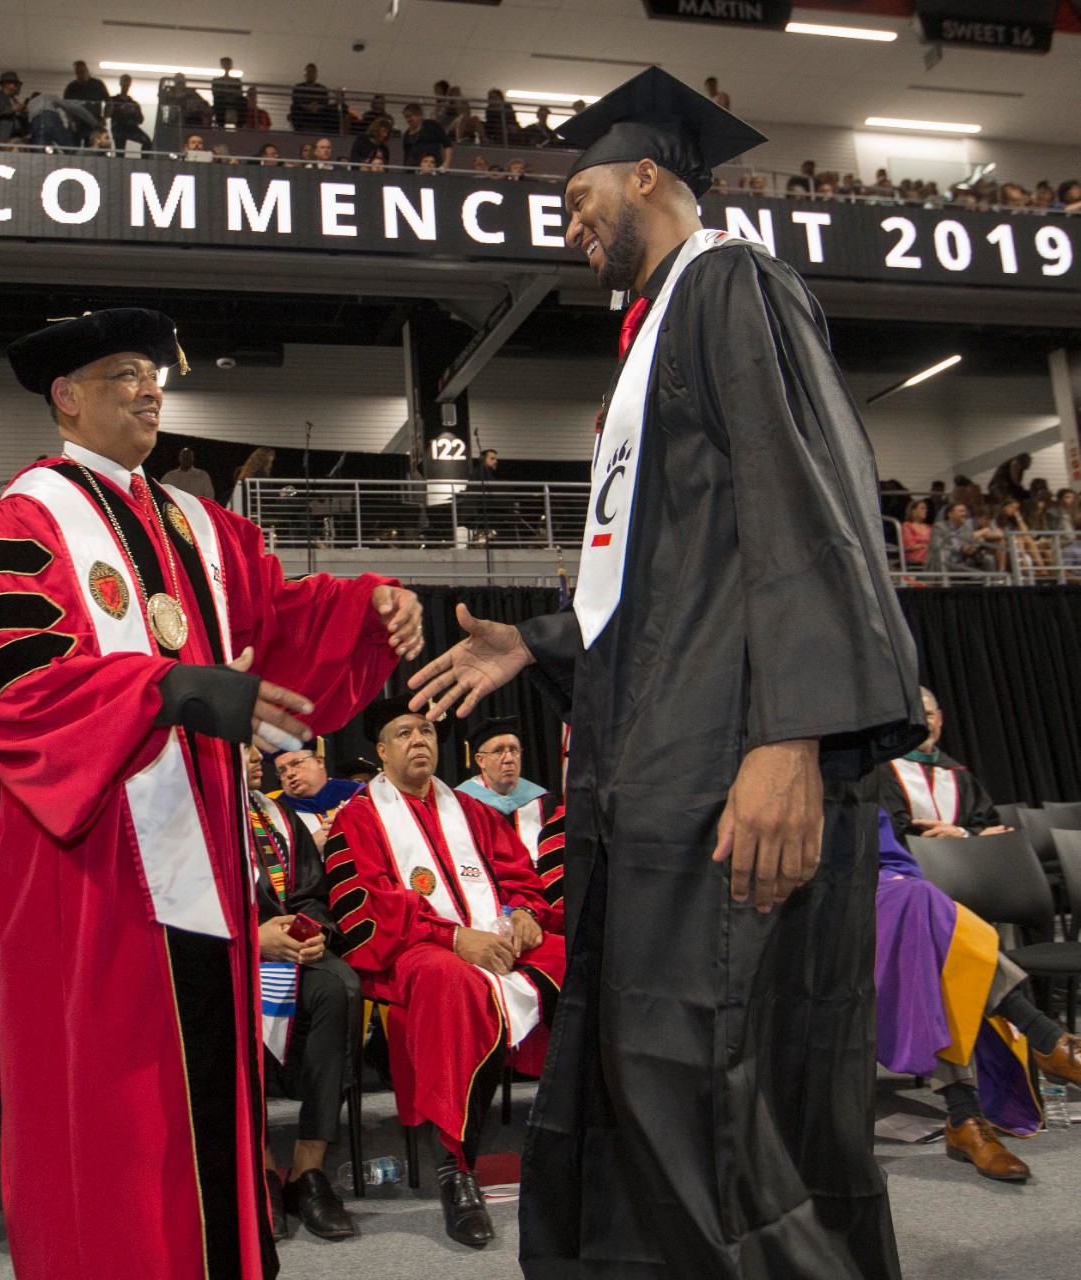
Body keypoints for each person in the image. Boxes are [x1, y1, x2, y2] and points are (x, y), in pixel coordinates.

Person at [409, 66, 922, 1280]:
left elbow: (810, 513)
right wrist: (535, 640)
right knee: (652, 1085)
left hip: (728, 778)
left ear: (649, 174)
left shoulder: (732, 285)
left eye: (580, 192)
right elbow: (676, 584)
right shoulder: (651, 341)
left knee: (729, 1113)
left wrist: (792, 739)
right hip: (660, 782)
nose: (568, 219)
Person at [0, 308, 421, 1280]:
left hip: (202, 873)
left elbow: (276, 629)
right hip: (96, 880)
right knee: (115, 1129)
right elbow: (9, 689)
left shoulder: (197, 526)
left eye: (154, 371)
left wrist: (366, 606)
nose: (150, 386)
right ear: (66, 397)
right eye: (122, 372)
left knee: (205, 1115)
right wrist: (163, 686)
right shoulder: (27, 518)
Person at [325, 694, 565, 1249]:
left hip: (495, 938)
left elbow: (517, 874)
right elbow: (367, 906)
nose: (419, 741)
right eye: (405, 733)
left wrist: (526, 914)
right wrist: (455, 937)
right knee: (448, 980)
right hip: (411, 952)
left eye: (428, 732)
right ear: (381, 749)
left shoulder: (473, 810)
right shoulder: (359, 818)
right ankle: (456, 1169)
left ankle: (575, 1134)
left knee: (566, 954)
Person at [875, 810, 1081, 1180]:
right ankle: (1048, 1039)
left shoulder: (847, 787)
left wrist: (962, 831)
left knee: (922, 921)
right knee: (920, 911)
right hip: (809, 920)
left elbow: (895, 858)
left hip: (890, 910)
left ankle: (965, 1117)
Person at [245, 747, 359, 1243]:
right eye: (243, 744)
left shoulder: (277, 814)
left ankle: (308, 1171)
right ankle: (264, 1169)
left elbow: (313, 891)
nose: (256, 756)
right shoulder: (193, 816)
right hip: (228, 951)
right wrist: (252, 937)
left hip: (291, 947)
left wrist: (316, 933)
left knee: (341, 987)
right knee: (216, 1004)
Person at [877, 687, 1008, 842]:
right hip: (914, 861)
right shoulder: (882, 772)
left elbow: (987, 823)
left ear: (940, 718)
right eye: (914, 716)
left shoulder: (957, 773)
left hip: (970, 859)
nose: (923, 723)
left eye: (929, 715)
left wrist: (963, 833)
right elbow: (889, 828)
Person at [456, 715, 559, 868]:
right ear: (480, 760)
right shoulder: (462, 802)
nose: (509, 758)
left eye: (514, 750)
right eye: (498, 751)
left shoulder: (543, 801)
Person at [272, 740, 363, 850]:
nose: (290, 774)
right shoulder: (274, 813)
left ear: (319, 762)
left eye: (296, 763)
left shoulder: (358, 795)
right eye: (282, 770)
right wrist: (310, 849)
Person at [63, 60, 109, 135]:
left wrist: (105, 117)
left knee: (93, 144)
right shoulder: (71, 87)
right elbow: (67, 107)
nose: (80, 75)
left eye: (82, 72)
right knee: (73, 144)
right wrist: (71, 121)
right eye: (77, 73)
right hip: (77, 122)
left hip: (94, 121)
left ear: (87, 71)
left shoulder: (97, 85)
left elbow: (109, 102)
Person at [400, 101, 450, 171]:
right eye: (406, 117)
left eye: (410, 116)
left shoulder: (432, 125)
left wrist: (447, 162)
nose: (408, 120)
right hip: (415, 171)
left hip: (434, 167)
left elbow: (447, 145)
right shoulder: (406, 135)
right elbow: (406, 156)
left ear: (419, 114)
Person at [289, 63, 334, 134]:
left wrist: (317, 107)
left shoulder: (322, 88)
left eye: (313, 72)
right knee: (294, 108)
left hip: (318, 113)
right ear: (305, 74)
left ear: (316, 75)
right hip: (303, 113)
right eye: (309, 72)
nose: (310, 74)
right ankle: (299, 131)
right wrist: (308, 107)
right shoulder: (298, 87)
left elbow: (325, 103)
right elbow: (296, 101)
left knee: (330, 109)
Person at [109, 75, 151, 150]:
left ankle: (145, 161)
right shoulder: (113, 100)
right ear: (120, 83)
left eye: (127, 83)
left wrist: (134, 111)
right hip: (118, 128)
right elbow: (108, 113)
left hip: (131, 127)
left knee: (147, 142)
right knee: (120, 149)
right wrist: (120, 110)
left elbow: (140, 120)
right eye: (124, 82)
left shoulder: (134, 103)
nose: (125, 85)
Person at [899, 498, 931, 568]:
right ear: (913, 511)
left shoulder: (928, 527)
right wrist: (924, 546)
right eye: (922, 508)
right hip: (914, 558)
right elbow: (909, 545)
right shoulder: (906, 526)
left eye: (926, 509)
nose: (925, 511)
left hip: (929, 558)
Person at [212, 56, 243, 127]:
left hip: (234, 101)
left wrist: (231, 96)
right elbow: (215, 93)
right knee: (219, 100)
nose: (226, 66)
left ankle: (240, 125)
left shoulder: (237, 81)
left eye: (228, 64)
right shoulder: (216, 80)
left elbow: (239, 93)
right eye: (225, 64)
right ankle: (220, 125)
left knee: (242, 100)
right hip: (222, 101)